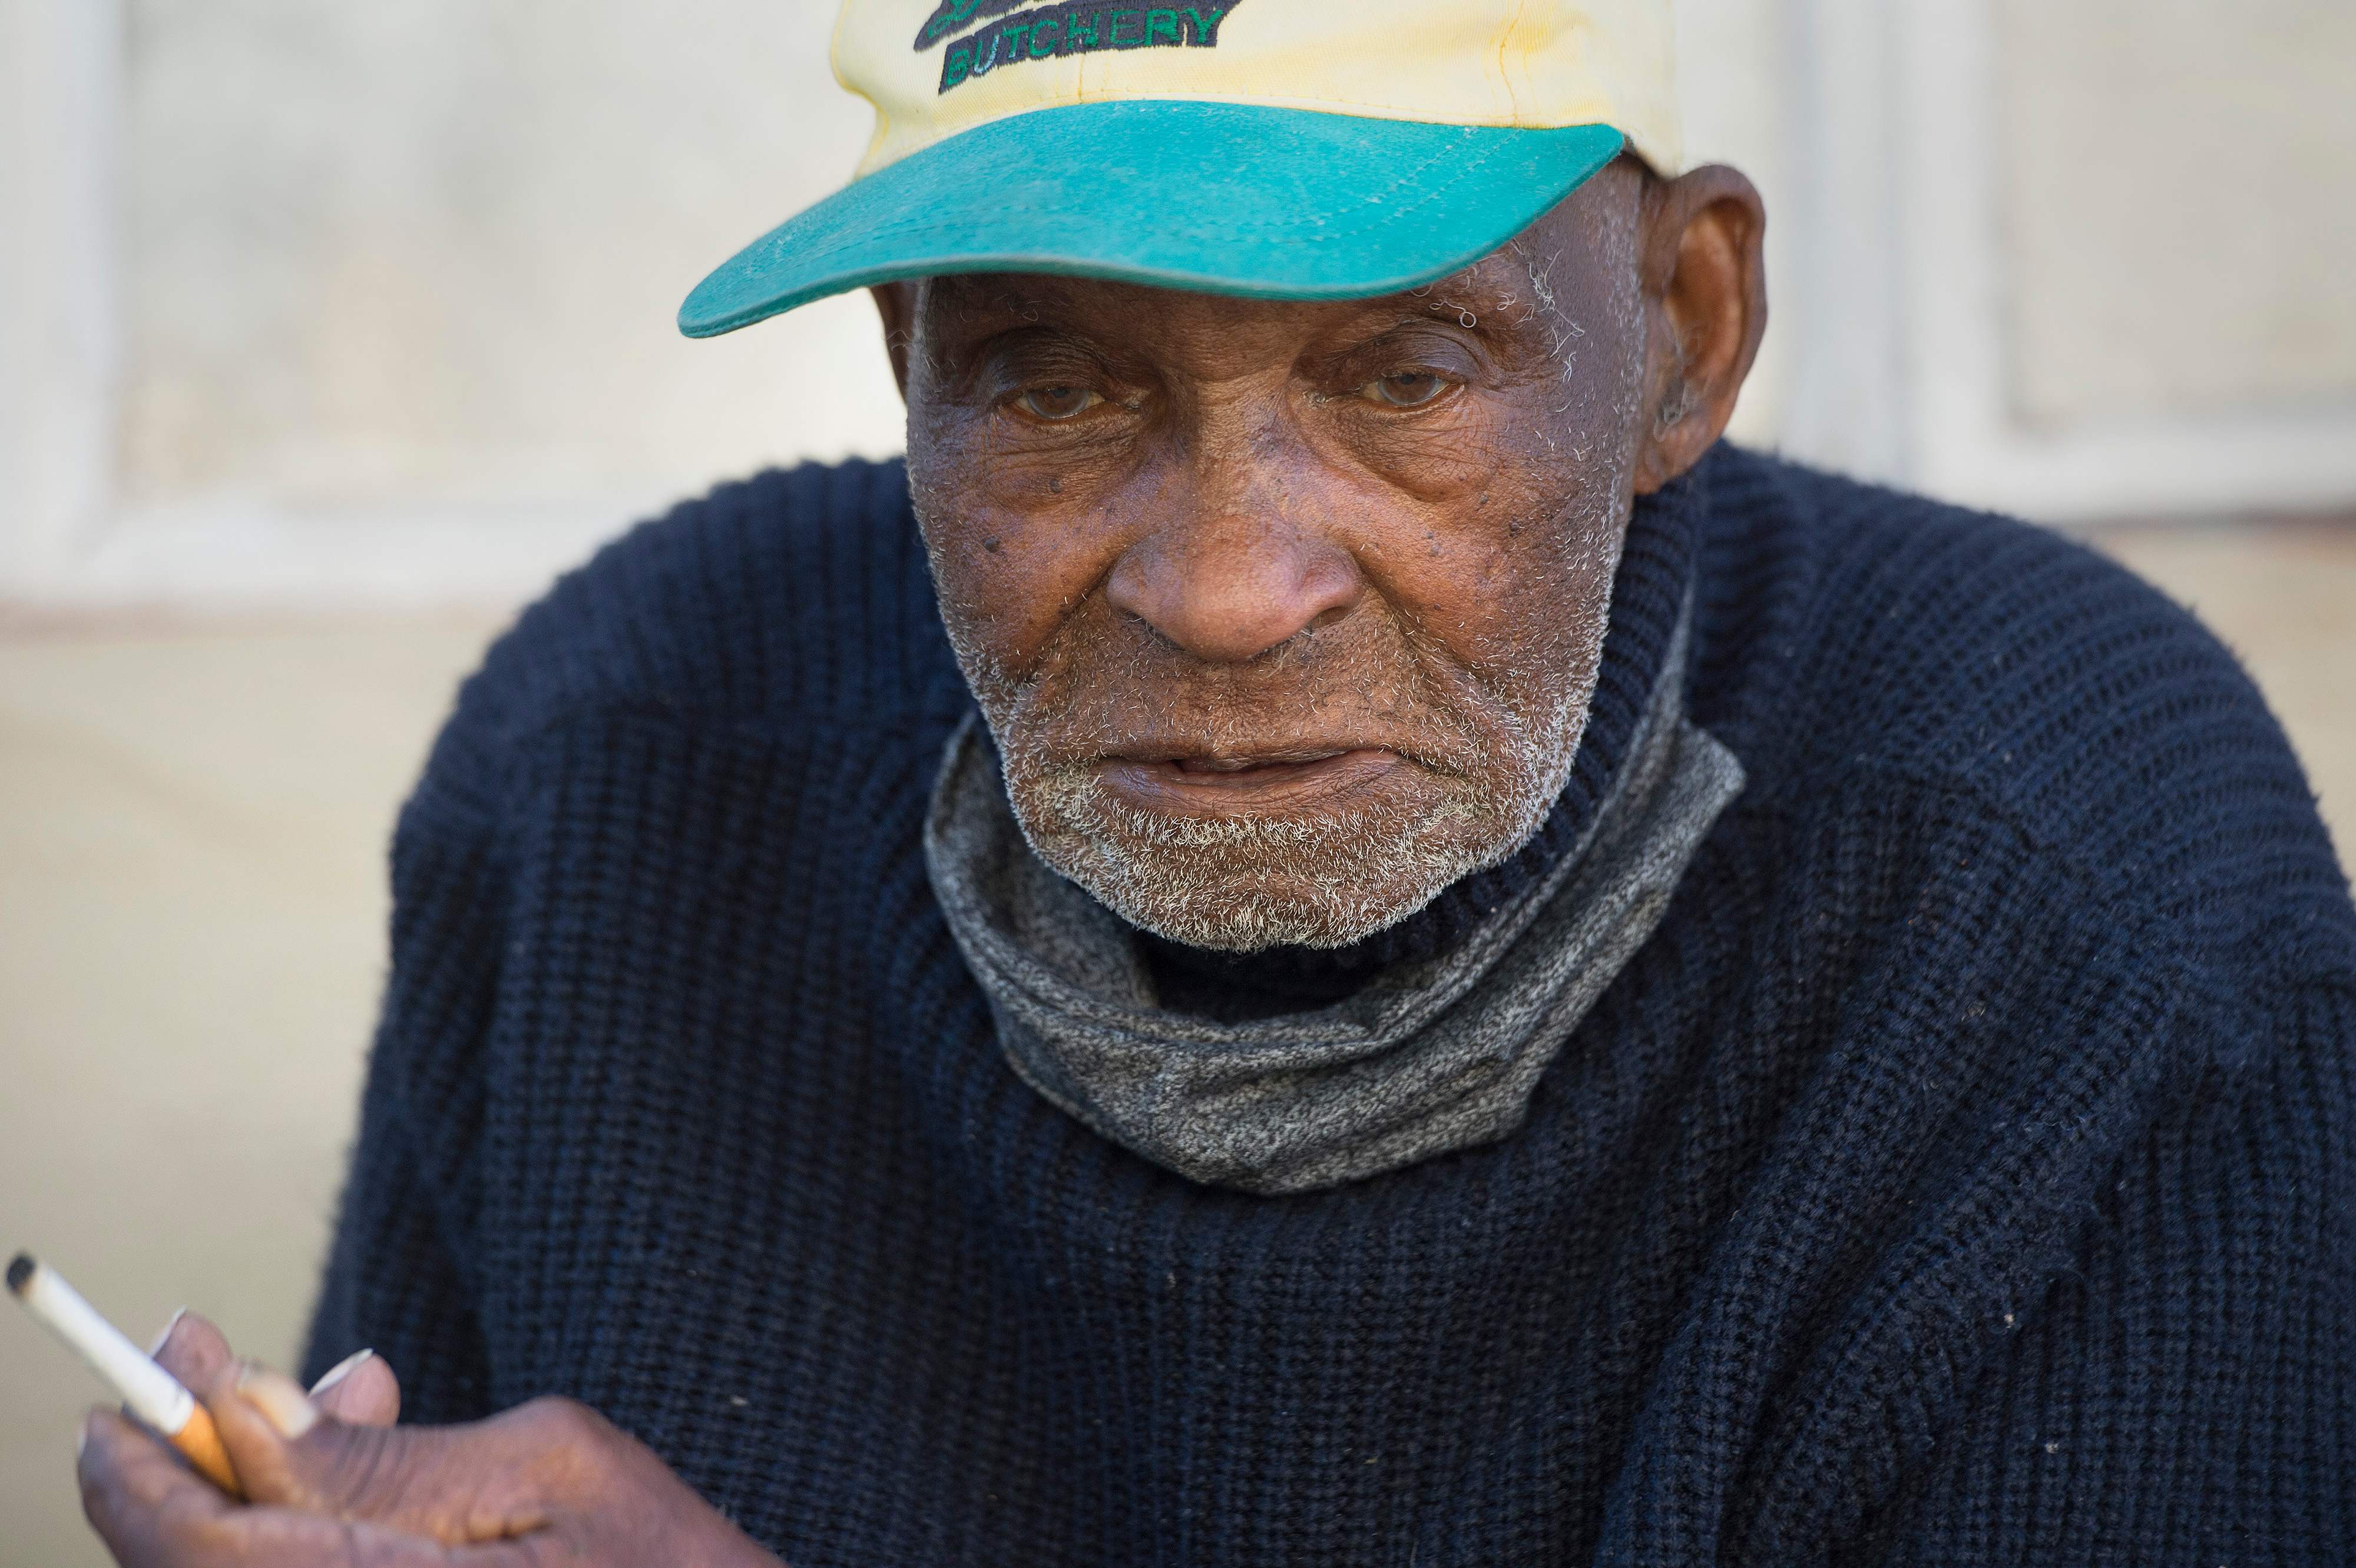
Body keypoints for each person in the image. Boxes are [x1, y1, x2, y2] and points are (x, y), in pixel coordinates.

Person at [77, 1, 2356, 1563]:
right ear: (910, 369)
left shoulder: (2072, 875)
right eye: (1053, 385)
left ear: (1683, 333)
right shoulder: (623, 770)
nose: (1229, 585)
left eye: (1403, 371)